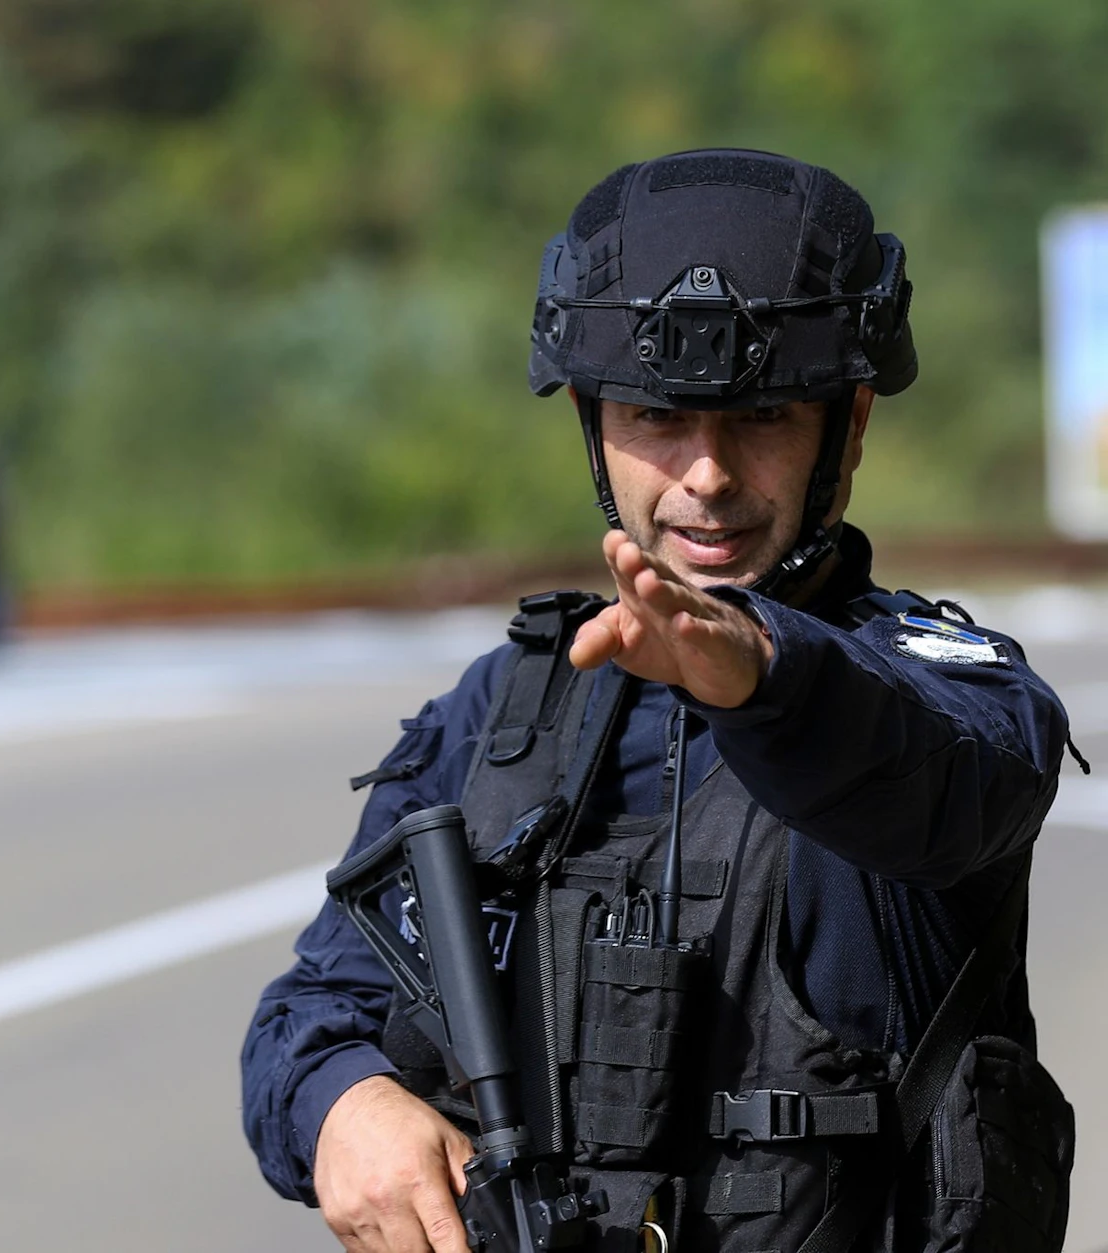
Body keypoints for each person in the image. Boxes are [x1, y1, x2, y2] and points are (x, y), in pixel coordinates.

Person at [240, 149, 1078, 1252]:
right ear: (591, 419)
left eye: (764, 416)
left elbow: (939, 787)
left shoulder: (940, 688)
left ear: (850, 423)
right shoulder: (502, 713)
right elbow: (311, 1012)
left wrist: (765, 675)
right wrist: (344, 1101)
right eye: (654, 416)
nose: (705, 474)